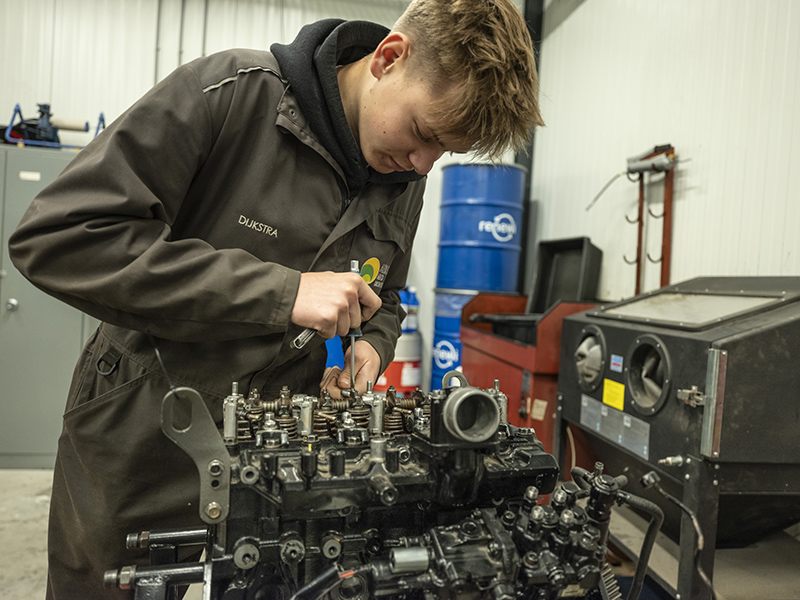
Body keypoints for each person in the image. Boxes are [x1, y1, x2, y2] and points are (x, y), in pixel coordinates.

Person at [8, 0, 543, 597]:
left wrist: (372, 344)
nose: (424, 163)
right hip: (143, 436)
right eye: (423, 133)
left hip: (278, 462)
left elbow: (385, 295)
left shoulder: (403, 179)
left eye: (444, 151)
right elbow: (60, 238)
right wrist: (282, 291)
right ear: (389, 59)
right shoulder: (230, 95)